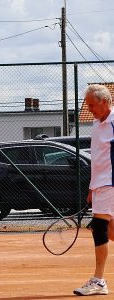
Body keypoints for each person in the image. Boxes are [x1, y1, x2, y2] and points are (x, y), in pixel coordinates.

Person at [74, 84, 114, 296]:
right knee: (107, 229)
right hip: (99, 184)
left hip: (111, 183)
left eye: (92, 105)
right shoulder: (97, 125)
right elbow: (97, 159)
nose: (89, 109)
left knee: (99, 227)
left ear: (105, 102)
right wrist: (91, 187)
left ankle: (99, 281)